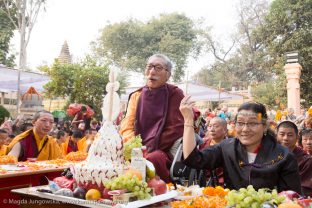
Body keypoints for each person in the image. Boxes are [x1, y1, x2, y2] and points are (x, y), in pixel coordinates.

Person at [180, 99, 301, 193]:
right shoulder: (227, 148)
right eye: (240, 123)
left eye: (253, 123)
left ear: (264, 126)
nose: (245, 129)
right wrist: (188, 120)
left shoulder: (284, 156)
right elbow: (193, 159)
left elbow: (291, 197)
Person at [120, 54, 184, 183]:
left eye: (158, 68)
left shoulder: (175, 94)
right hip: (136, 149)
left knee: (152, 159)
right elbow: (127, 126)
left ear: (168, 75)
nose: (152, 71)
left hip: (162, 150)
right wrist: (135, 147)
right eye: (149, 67)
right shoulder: (136, 95)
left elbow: (175, 128)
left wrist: (148, 149)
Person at [276, 121, 312, 197]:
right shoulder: (270, 155)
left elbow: (304, 190)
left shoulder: (306, 160)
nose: (285, 138)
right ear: (276, 136)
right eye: (282, 134)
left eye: (290, 135)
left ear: (297, 138)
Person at [199, 117, 228, 187]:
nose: (212, 129)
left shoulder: (230, 145)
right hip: (204, 183)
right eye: (210, 126)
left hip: (224, 184)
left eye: (216, 126)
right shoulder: (203, 143)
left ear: (225, 130)